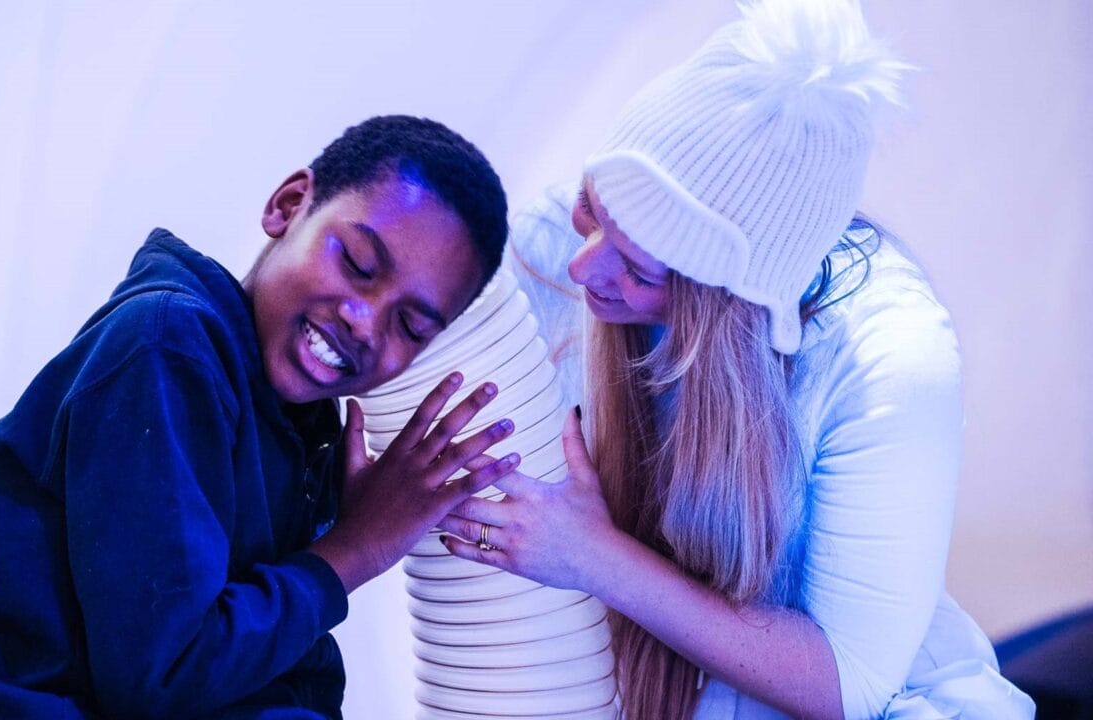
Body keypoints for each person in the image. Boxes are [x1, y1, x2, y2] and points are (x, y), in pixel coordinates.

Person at [438, 2, 1036, 718]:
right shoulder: (551, 245)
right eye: (595, 209)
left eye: (640, 268)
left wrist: (596, 559)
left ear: (725, 304)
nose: (585, 269)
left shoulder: (887, 360)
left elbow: (847, 684)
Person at [0, 115, 523, 719]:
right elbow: (165, 677)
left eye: (411, 326)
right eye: (358, 264)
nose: (365, 322)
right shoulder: (166, 346)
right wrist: (356, 547)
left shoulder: (302, 424)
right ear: (288, 206)